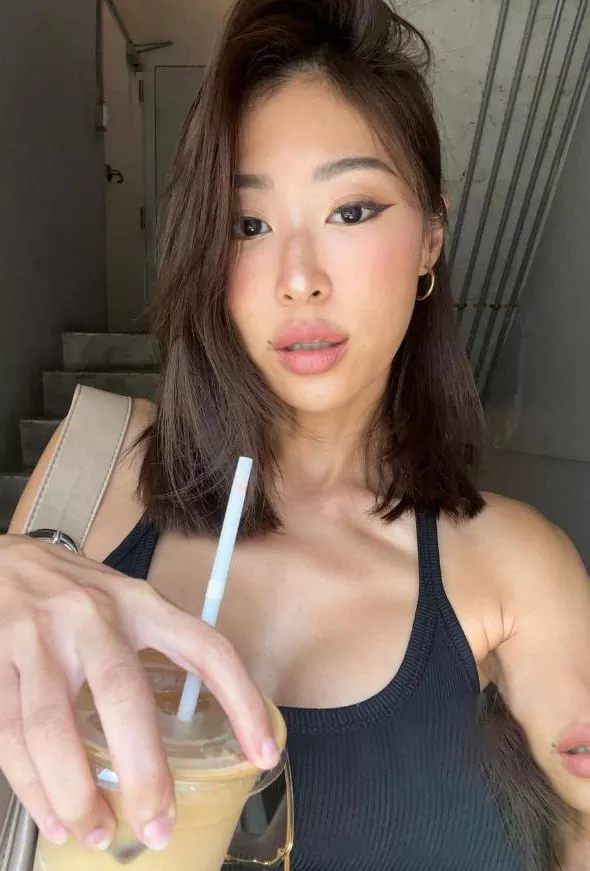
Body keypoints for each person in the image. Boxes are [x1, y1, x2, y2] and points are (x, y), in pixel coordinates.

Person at [1, 0, 590, 868]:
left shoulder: (516, 570)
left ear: (431, 235)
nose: (299, 278)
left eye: (351, 211)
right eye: (248, 225)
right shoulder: (94, 471)